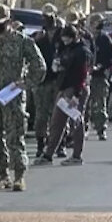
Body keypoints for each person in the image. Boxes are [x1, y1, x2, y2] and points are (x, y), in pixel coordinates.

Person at [0, 4, 46, 191]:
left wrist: (26, 82)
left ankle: (19, 175)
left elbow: (39, 65)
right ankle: (2, 175)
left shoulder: (22, 41)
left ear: (9, 21)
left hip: (12, 96)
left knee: (15, 136)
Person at [35, 23, 91, 165]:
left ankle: (77, 155)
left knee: (76, 122)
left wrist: (76, 96)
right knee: (56, 122)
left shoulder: (81, 51)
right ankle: (48, 155)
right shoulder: (65, 49)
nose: (65, 42)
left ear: (74, 37)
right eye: (63, 39)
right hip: (63, 87)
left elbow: (82, 75)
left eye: (67, 39)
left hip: (75, 89)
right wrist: (57, 65)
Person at [31, 4, 60, 158]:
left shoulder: (62, 35)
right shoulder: (38, 37)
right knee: (41, 115)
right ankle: (40, 144)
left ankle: (59, 143)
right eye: (45, 17)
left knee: (58, 114)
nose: (47, 20)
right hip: (42, 80)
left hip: (58, 80)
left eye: (50, 17)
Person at [86, 13, 112, 140]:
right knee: (85, 105)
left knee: (100, 103)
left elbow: (110, 58)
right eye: (98, 22)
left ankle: (101, 129)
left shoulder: (105, 39)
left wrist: (101, 66)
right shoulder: (85, 38)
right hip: (86, 76)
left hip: (100, 76)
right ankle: (84, 128)